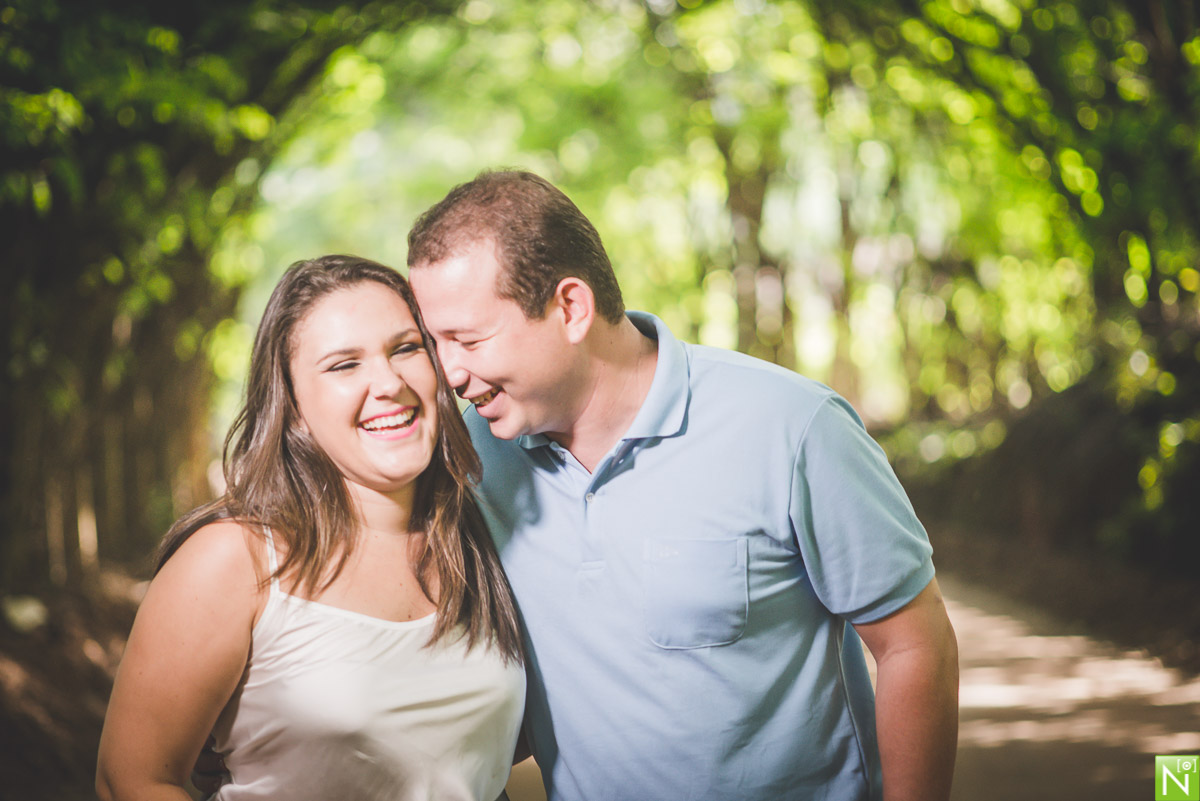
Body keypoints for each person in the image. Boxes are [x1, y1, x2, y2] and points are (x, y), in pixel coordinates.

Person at [403, 170, 960, 801]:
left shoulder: (790, 425)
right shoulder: (469, 461)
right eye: (434, 342)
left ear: (571, 308)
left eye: (468, 340)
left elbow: (915, 644)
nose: (448, 372)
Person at [96, 255, 525, 801]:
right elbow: (129, 780)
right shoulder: (234, 560)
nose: (388, 382)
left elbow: (485, 766)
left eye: (406, 348)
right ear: (293, 405)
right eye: (344, 365)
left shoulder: (481, 538)